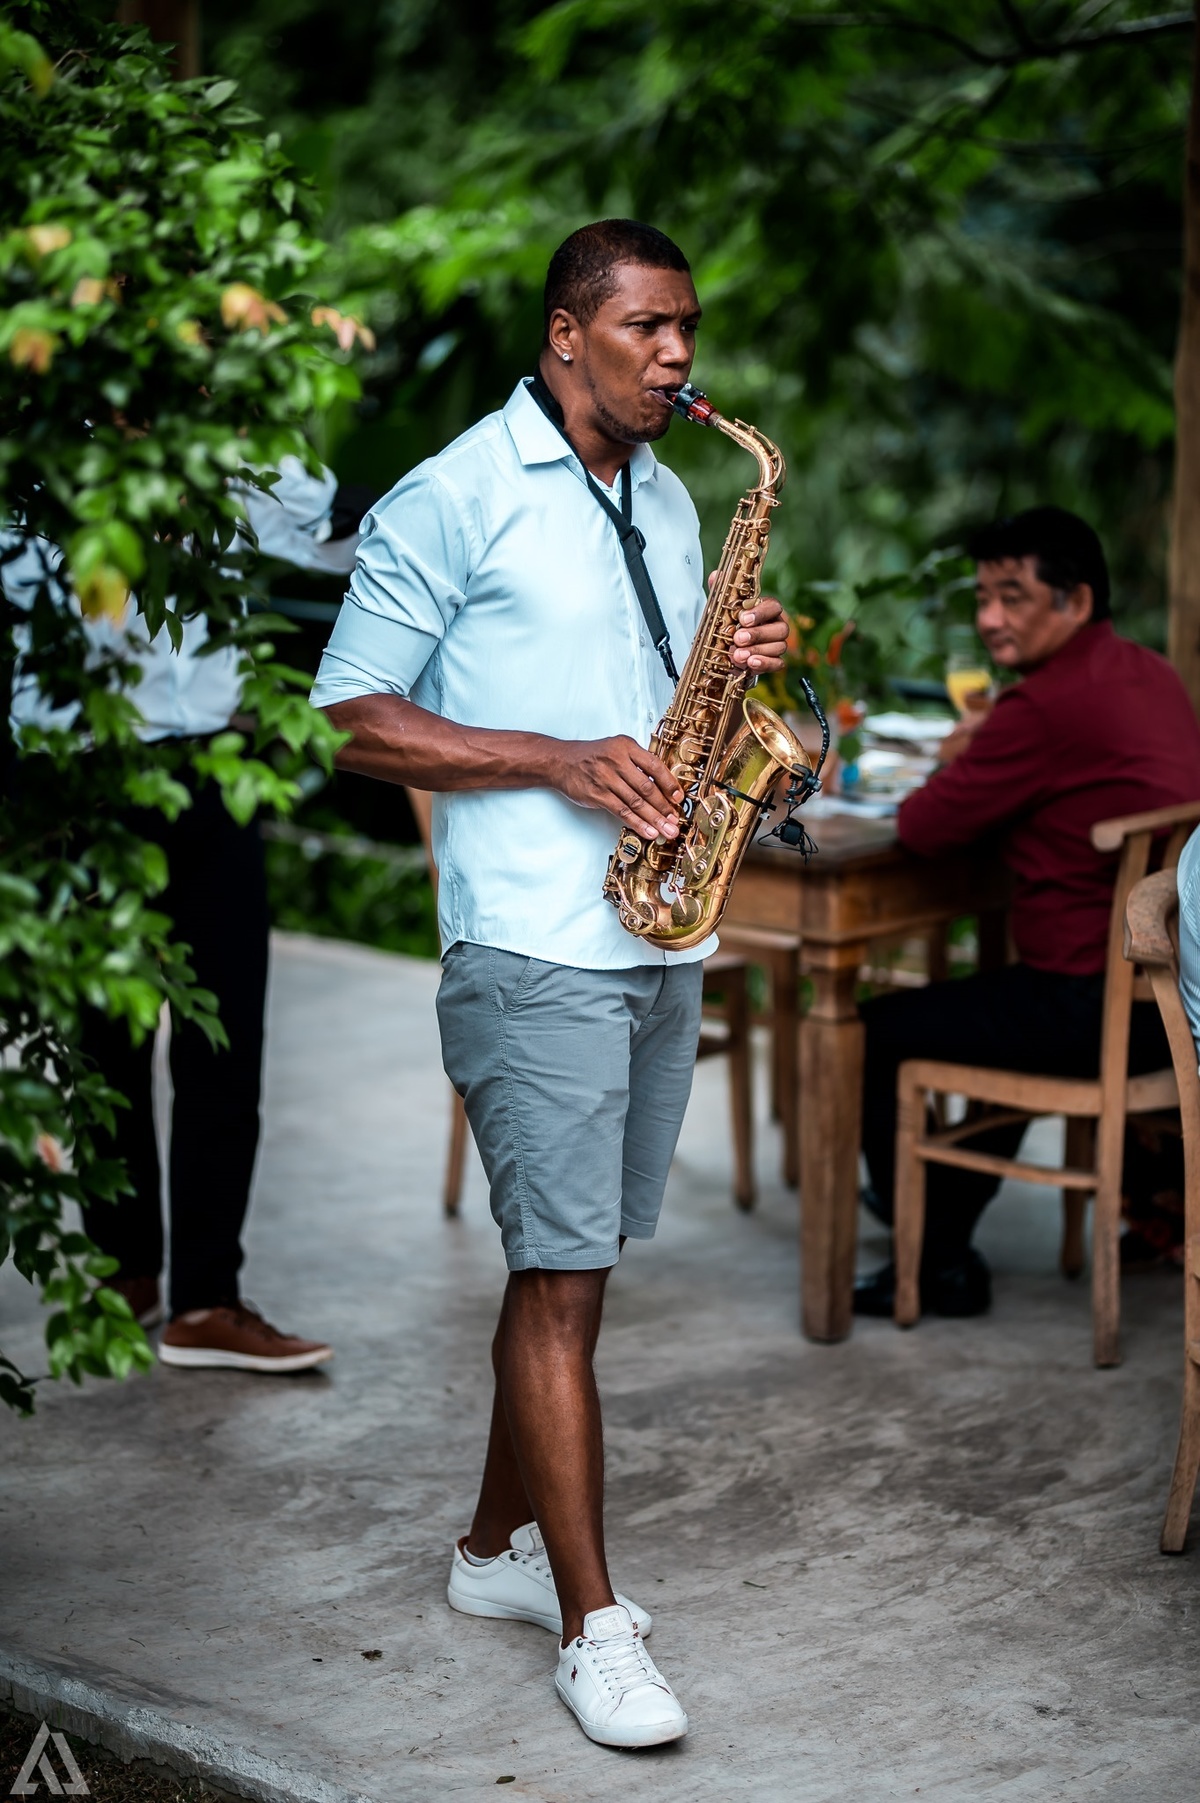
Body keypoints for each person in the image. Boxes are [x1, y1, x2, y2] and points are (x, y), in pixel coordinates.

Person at [311, 219, 788, 1748]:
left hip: (652, 928)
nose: (676, 357)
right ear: (566, 332)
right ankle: (594, 1622)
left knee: (568, 1266)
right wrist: (556, 760)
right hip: (530, 937)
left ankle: (488, 1552)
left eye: (687, 329)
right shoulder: (453, 494)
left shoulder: (656, 488)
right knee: (565, 1279)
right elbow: (354, 720)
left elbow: (648, 698)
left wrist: (742, 684)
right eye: (648, 328)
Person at [6, 457, 362, 1372]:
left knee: (227, 1037)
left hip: (208, 769)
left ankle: (206, 1298)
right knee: (103, 1034)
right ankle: (125, 1271)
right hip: (76, 772)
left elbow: (338, 535)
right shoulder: (41, 440)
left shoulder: (233, 441)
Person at [853, 507, 1200, 1318]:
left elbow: (922, 826)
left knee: (878, 1028)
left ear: (1076, 601)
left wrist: (972, 751)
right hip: (1166, 998)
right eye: (982, 597)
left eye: (1011, 596)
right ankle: (939, 1229)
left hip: (1085, 1006)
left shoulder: (1041, 707)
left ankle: (927, 1252)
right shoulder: (1151, 672)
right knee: (990, 1016)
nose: (988, 619)